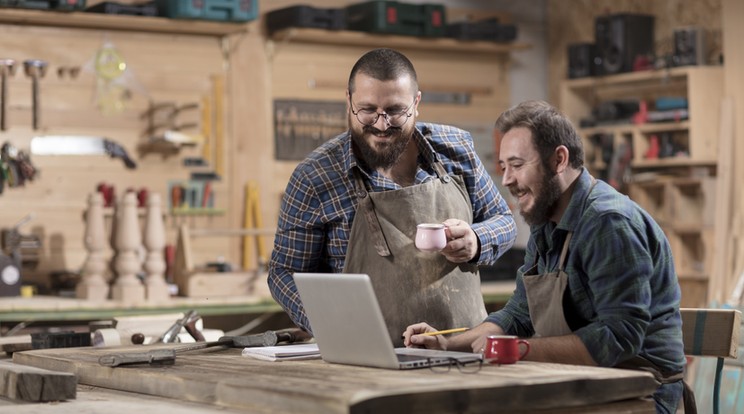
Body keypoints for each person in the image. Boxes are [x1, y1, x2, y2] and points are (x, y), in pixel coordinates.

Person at [404, 100, 690, 414]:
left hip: (643, 393)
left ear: (559, 159)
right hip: (587, 383)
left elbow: (618, 337)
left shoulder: (608, 223)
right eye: (504, 167)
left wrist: (515, 349)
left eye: (517, 164)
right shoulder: (547, 221)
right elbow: (519, 314)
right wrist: (446, 345)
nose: (508, 180)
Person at [268, 48, 517, 346]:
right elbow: (284, 272)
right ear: (348, 102)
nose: (382, 124)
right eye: (368, 110)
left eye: (396, 110)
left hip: (461, 349)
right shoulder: (315, 177)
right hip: (366, 354)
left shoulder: (456, 150)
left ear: (416, 103)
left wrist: (477, 240)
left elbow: (504, 222)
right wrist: (329, 321)